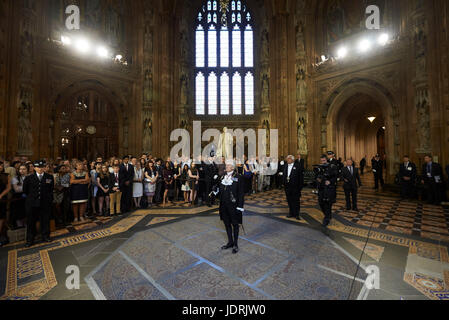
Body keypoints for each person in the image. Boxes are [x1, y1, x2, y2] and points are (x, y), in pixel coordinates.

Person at [214, 161, 245, 254]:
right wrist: (216, 190)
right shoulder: (223, 176)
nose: (226, 166)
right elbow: (221, 190)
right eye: (226, 165)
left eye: (228, 165)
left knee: (235, 225)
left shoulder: (238, 177)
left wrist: (240, 206)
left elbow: (241, 193)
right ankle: (230, 242)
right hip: (223, 205)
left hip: (233, 205)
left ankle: (235, 244)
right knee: (227, 224)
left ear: (232, 167)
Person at [23, 160, 54, 247]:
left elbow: (50, 190)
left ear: (44, 167)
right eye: (38, 167)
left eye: (42, 167)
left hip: (45, 203)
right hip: (32, 204)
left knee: (45, 220)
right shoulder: (29, 178)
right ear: (34, 168)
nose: (40, 169)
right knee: (31, 222)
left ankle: (46, 236)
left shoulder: (49, 177)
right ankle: (30, 239)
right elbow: (25, 190)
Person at [316, 155, 338, 229]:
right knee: (321, 203)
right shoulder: (319, 167)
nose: (322, 162)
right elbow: (317, 176)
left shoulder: (332, 167)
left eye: (324, 161)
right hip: (321, 189)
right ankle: (328, 215)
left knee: (328, 204)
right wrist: (318, 179)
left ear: (327, 160)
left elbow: (336, 177)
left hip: (329, 189)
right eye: (321, 161)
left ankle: (326, 219)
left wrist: (330, 181)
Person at [283, 155, 303, 220]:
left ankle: (296, 214)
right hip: (287, 187)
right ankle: (291, 212)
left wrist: (300, 187)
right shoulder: (285, 166)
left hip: (296, 187)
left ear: (292, 160)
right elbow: (284, 175)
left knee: (296, 201)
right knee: (289, 200)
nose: (287, 160)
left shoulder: (298, 166)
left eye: (289, 159)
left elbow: (301, 177)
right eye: (287, 159)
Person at [11, 164, 28, 229]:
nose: (22, 171)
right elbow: (17, 189)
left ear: (27, 170)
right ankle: (20, 228)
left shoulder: (30, 177)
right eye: (20, 169)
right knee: (19, 215)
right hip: (18, 199)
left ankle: (27, 229)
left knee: (27, 214)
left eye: (24, 169)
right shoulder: (15, 178)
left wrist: (22, 187)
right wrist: (27, 187)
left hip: (28, 198)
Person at [0, 161, 12, 246]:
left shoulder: (6, 175)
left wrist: (0, 195)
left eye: (1, 166)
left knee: (1, 218)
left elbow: (9, 187)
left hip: (2, 199)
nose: (0, 167)